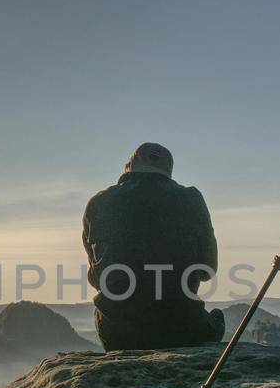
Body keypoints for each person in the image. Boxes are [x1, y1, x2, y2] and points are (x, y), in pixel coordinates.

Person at [82, 143, 226, 351]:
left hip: (120, 334)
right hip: (186, 331)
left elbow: (97, 276)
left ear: (129, 167)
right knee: (216, 319)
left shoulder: (98, 203)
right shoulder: (192, 199)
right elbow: (207, 269)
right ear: (169, 172)